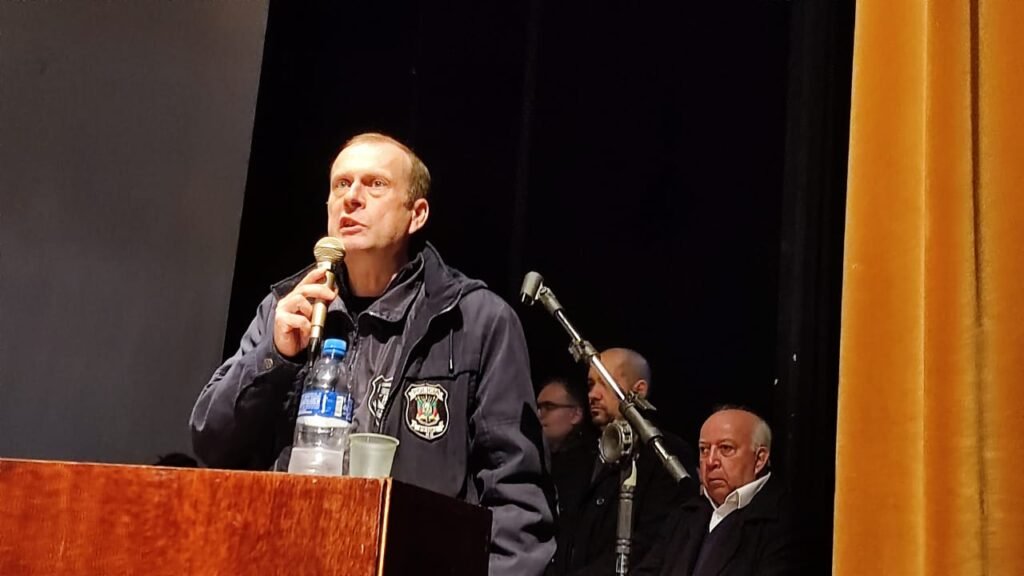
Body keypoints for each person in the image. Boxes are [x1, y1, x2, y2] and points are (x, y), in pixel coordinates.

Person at [190, 132, 555, 576]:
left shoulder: (475, 320)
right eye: (341, 185)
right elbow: (213, 442)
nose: (352, 198)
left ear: (416, 214)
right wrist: (275, 355)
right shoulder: (287, 310)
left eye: (375, 184)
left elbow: (516, 497)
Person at [547, 348, 698, 576]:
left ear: (639, 390)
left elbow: (654, 541)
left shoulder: (664, 453)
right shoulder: (581, 455)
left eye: (604, 383)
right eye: (590, 385)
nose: (593, 395)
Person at [631, 407, 798, 576]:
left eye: (726, 448)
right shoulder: (685, 514)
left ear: (760, 458)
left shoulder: (785, 523)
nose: (710, 461)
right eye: (704, 450)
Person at [537, 377, 597, 520]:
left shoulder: (591, 465)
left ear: (576, 414)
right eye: (538, 407)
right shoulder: (539, 460)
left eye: (549, 407)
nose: (539, 414)